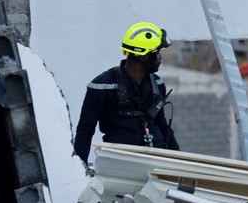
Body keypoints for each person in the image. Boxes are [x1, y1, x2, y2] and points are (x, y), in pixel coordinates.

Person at [73, 22, 179, 162]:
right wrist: (81, 167)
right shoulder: (102, 86)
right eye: (157, 53)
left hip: (156, 161)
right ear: (144, 56)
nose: (160, 58)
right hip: (120, 164)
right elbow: (85, 129)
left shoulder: (157, 84)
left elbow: (162, 125)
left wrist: (179, 159)